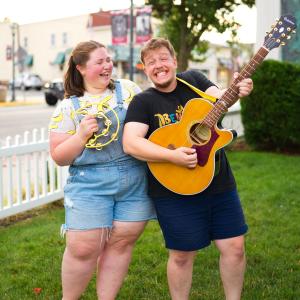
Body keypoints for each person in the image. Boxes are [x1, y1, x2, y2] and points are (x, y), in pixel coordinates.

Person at [123, 37, 253, 300]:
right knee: (182, 256)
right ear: (144, 69)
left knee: (235, 247)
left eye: (163, 59)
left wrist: (237, 88)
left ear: (174, 61)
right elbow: (131, 143)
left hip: (218, 182)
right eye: (151, 62)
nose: (158, 65)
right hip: (174, 189)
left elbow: (221, 98)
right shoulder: (143, 102)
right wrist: (172, 157)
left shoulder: (194, 80)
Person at [49, 40, 156, 300]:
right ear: (82, 68)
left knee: (121, 243)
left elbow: (151, 123)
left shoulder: (129, 90)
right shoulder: (68, 107)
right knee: (83, 248)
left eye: (108, 59)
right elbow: (59, 157)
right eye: (100, 61)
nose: (108, 65)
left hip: (134, 179)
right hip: (89, 184)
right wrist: (81, 136)